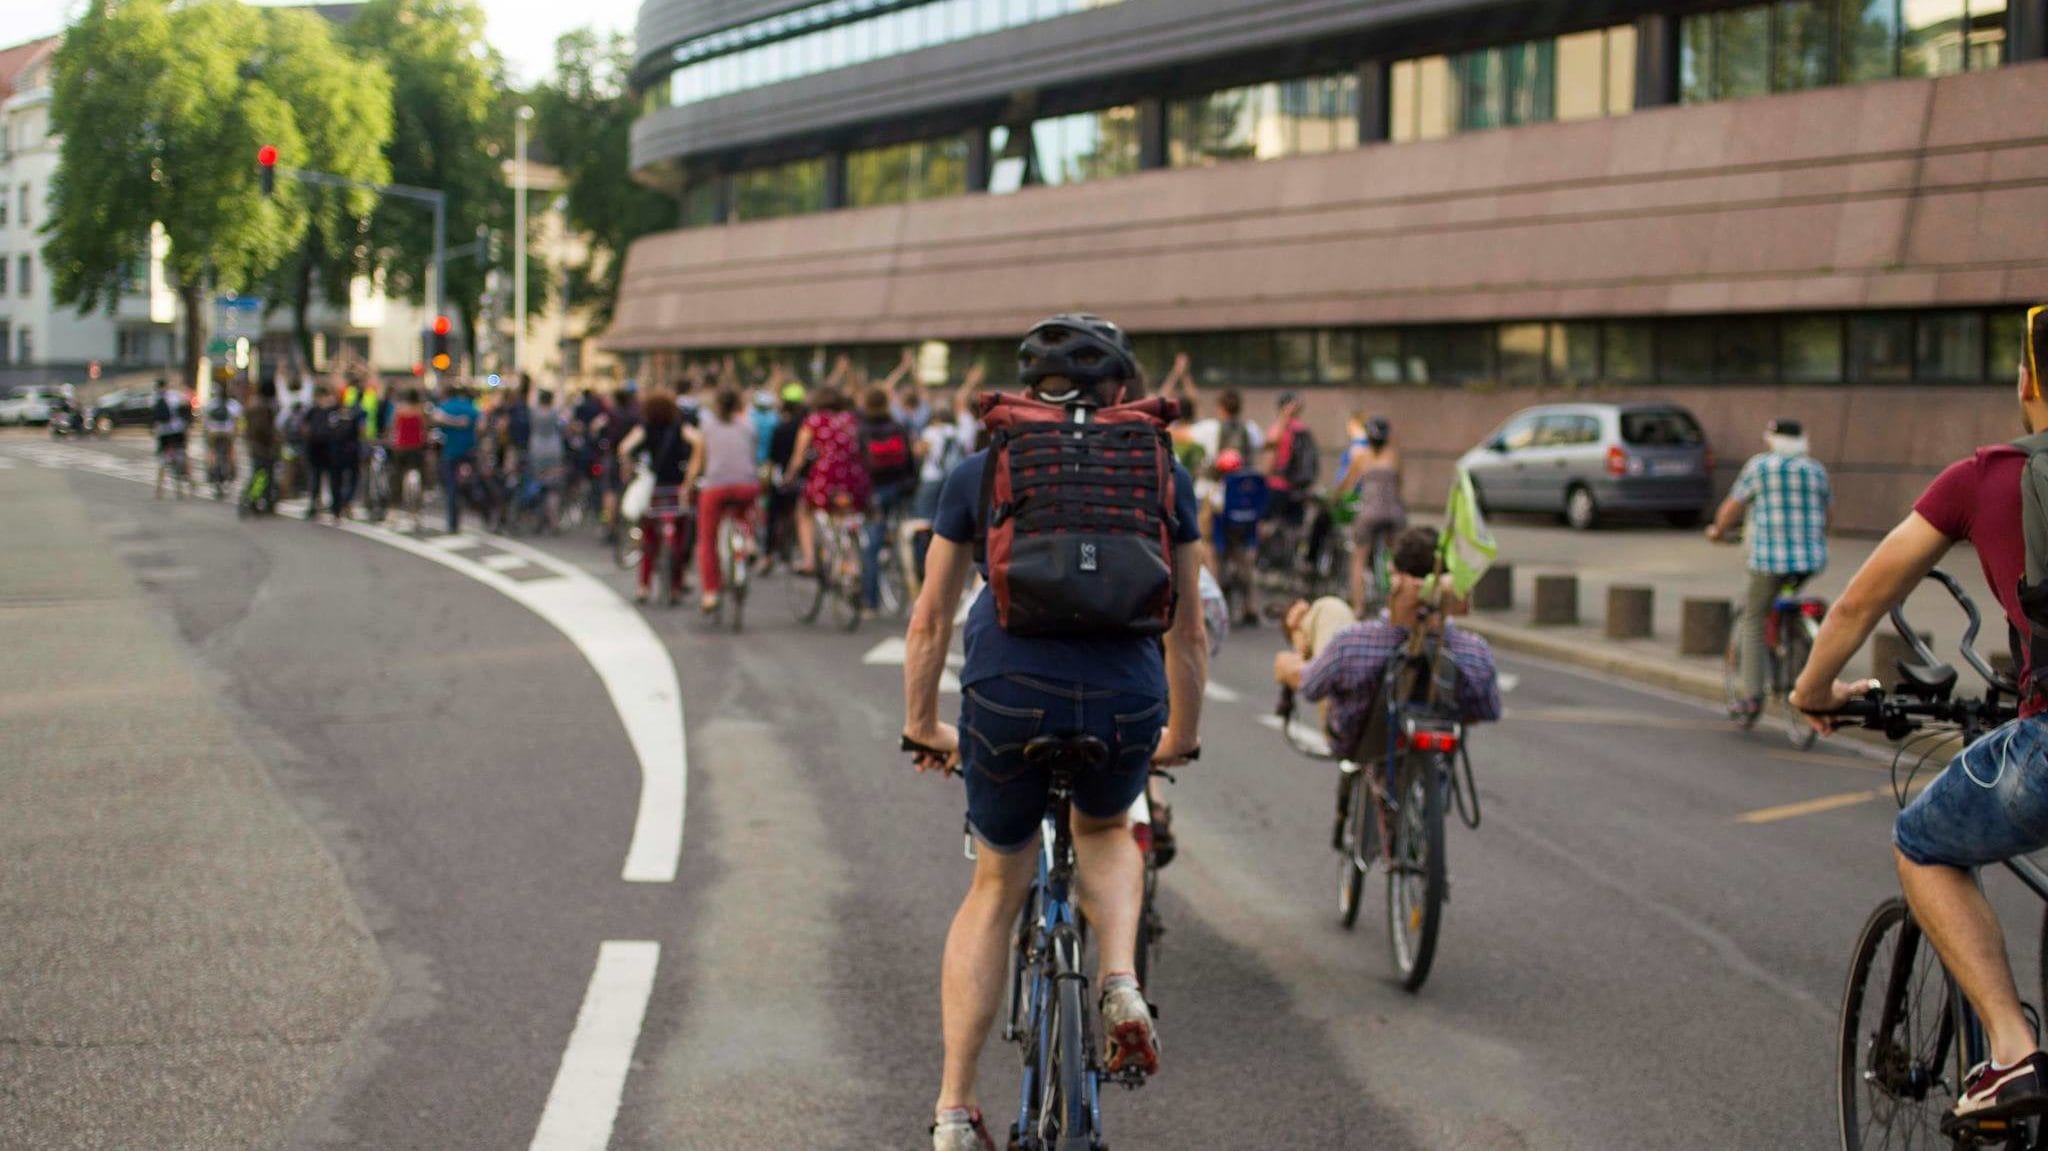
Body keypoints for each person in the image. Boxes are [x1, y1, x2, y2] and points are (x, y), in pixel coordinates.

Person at [902, 315, 1205, 1151]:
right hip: (1125, 698)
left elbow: (930, 618)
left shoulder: (982, 466)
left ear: (1030, 387)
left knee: (997, 885)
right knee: (1107, 826)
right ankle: (1118, 978)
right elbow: (1188, 630)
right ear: (1122, 391)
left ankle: (957, 1110)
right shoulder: (1162, 470)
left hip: (1008, 691)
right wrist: (1179, 730)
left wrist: (924, 721)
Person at [1791, 308, 2048, 1128]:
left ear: (2028, 381)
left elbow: (1862, 600)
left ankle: (2010, 1051)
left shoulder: (1987, 477)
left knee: (1923, 839)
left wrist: (1815, 690)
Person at [1272, 527, 1502, 760]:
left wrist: (1286, 667)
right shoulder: (1476, 651)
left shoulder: (1352, 643)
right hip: (1436, 750)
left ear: (1394, 577)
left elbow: (1311, 687)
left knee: (1330, 609)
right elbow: (1488, 710)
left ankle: (1299, 630)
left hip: (1358, 744)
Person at [1707, 418, 1833, 719]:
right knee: (1786, 593)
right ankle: (1790, 637)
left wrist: (1717, 531)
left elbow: (1731, 508)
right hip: (1809, 562)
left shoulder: (1760, 467)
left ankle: (1752, 696)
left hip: (1768, 562)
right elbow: (1828, 515)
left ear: (1772, 440)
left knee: (1752, 617)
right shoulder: (1815, 469)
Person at [683, 387, 761, 614]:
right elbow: (752, 457)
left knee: (707, 539)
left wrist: (688, 486)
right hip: (746, 485)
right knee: (744, 512)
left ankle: (710, 593)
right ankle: (748, 540)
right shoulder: (748, 425)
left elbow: (698, 462)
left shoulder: (706, 428)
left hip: (716, 486)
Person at [616, 389, 693, 605]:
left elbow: (624, 448)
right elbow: (698, 442)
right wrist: (691, 473)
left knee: (649, 538)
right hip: (677, 487)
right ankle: (677, 587)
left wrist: (629, 469)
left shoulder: (646, 427)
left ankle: (644, 586)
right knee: (678, 537)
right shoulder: (679, 426)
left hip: (654, 488)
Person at [790, 385, 871, 580]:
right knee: (846, 516)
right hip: (854, 476)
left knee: (803, 510)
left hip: (827, 477)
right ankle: (852, 563)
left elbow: (799, 457)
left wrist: (790, 475)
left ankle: (809, 559)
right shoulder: (851, 419)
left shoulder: (814, 421)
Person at [1333, 415, 1405, 611]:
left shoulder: (1361, 456)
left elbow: (1347, 486)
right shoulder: (1394, 456)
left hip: (1369, 514)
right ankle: (1396, 605)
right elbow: (1399, 485)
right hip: (1393, 514)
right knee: (1397, 560)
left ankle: (1359, 607)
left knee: (1358, 560)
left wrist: (1335, 499)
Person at [858, 383, 917, 610]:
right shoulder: (898, 427)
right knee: (904, 538)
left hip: (874, 490)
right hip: (900, 488)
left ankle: (870, 601)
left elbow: (860, 464)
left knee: (871, 546)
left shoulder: (862, 429)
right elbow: (910, 460)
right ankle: (912, 588)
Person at [764, 381, 809, 570]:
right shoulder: (808, 425)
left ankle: (767, 555)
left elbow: (773, 457)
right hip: (806, 479)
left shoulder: (781, 427)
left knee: (773, 514)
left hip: (785, 478)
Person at [431, 383, 481, 535]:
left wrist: (451, 422)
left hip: (450, 452)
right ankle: (480, 511)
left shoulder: (445, 407)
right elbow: (481, 425)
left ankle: (453, 523)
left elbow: (435, 419)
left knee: (451, 487)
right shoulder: (471, 407)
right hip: (470, 451)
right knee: (475, 482)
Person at [302, 386, 352, 522]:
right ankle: (319, 506)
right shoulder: (316, 411)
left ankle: (335, 509)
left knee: (332, 481)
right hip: (321, 450)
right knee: (319, 480)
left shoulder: (335, 411)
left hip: (330, 451)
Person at [526, 388, 567, 529]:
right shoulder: (555, 413)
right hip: (554, 451)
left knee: (538, 484)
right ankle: (553, 521)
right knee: (552, 488)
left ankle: (537, 519)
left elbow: (530, 401)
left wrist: (534, 386)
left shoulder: (534, 412)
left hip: (537, 450)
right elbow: (563, 420)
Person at [387, 388, 428, 529]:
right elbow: (425, 429)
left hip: (401, 448)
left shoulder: (400, 410)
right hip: (416, 448)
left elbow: (394, 428)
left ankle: (392, 511)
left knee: (397, 478)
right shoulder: (421, 411)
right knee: (420, 478)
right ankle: (416, 512)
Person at [242, 380, 281, 514]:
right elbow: (266, 429)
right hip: (264, 447)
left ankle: (253, 498)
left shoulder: (252, 405)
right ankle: (259, 499)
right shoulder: (266, 408)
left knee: (258, 473)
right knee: (265, 474)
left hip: (254, 445)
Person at [150, 378, 191, 500]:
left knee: (162, 461)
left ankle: (159, 490)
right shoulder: (175, 396)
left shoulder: (154, 398)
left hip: (163, 433)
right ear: (167, 386)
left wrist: (153, 429)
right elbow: (186, 408)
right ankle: (190, 482)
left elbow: (153, 418)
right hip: (177, 431)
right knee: (183, 454)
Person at [202, 380, 243, 494]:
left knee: (211, 451)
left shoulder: (211, 403)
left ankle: (211, 468)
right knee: (231, 451)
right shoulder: (234, 404)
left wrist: (207, 433)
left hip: (214, 433)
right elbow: (237, 422)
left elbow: (205, 421)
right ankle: (232, 470)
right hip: (228, 434)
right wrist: (235, 435)